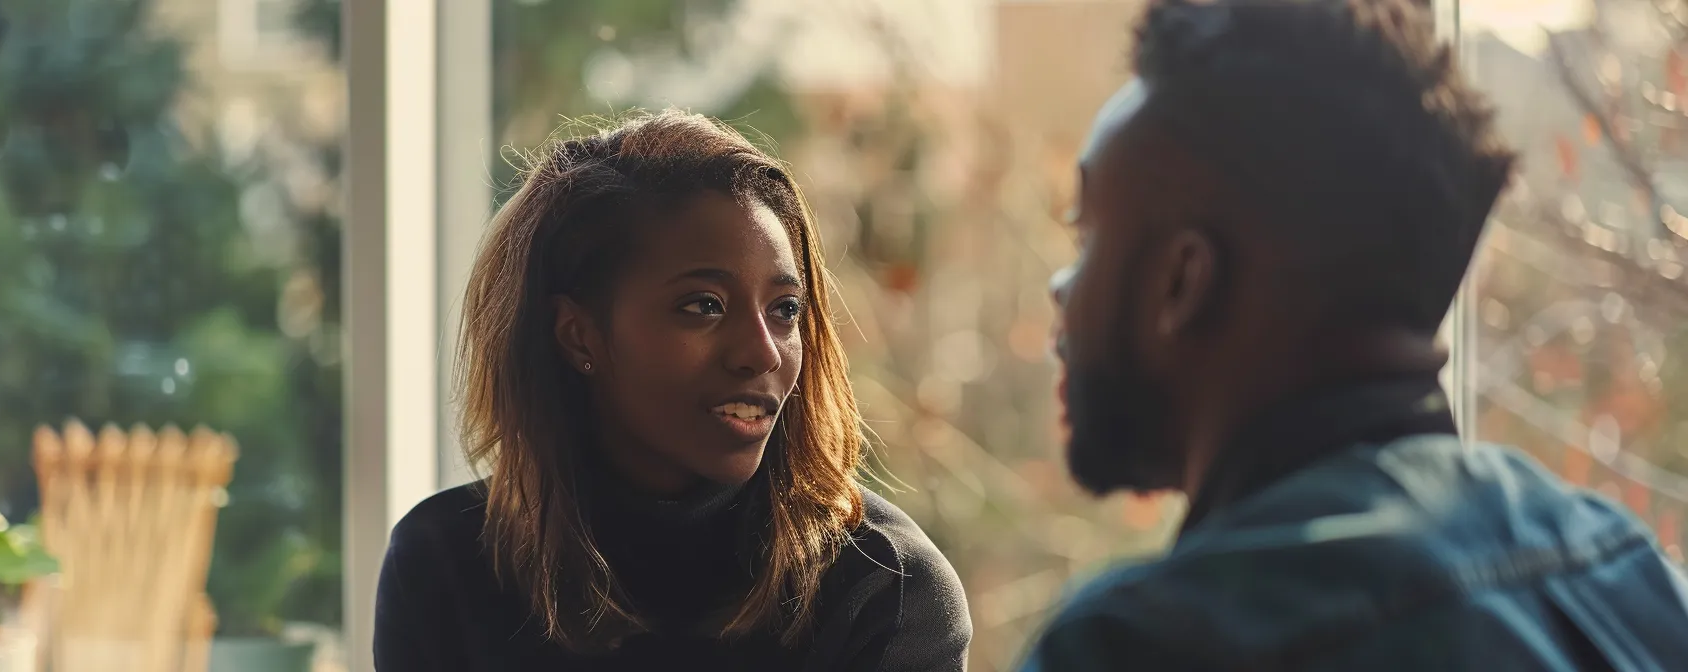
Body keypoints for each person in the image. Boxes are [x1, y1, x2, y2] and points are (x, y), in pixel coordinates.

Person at [1023, 0, 1688, 669]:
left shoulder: (1141, 648)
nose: (1061, 288)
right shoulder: (1631, 579)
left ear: (1183, 280)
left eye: (1085, 235)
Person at [374, 111, 971, 672]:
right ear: (578, 335)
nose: (761, 352)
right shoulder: (441, 565)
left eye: (785, 309)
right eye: (703, 306)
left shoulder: (883, 589)